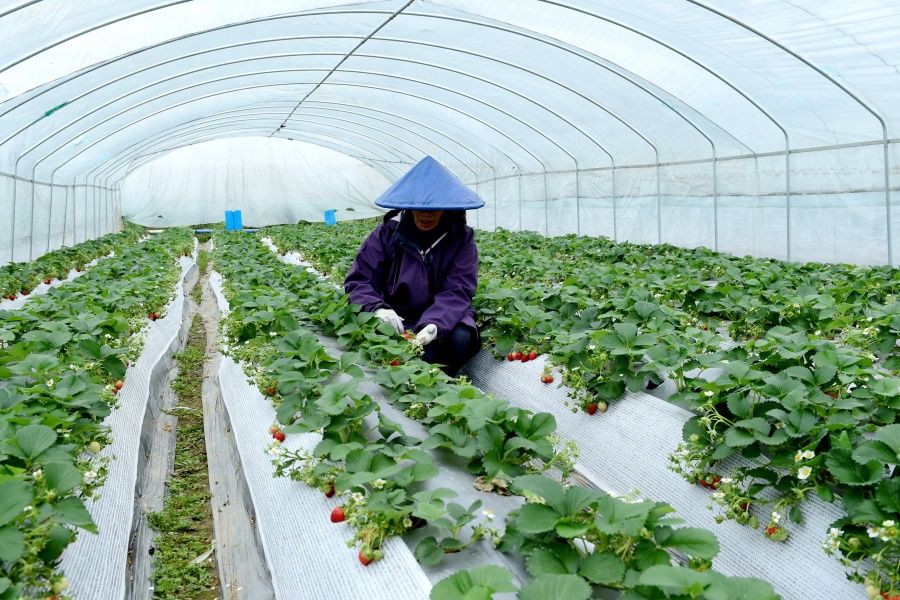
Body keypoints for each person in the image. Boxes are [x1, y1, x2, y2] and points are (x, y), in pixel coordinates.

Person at [343, 156, 484, 376]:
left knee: (459, 340)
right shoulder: (387, 234)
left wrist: (434, 324)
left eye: (435, 208)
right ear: (407, 205)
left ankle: (439, 384)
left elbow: (459, 289)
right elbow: (359, 281)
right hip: (396, 316)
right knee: (388, 346)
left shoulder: (460, 239)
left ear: (448, 208)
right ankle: (404, 382)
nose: (426, 214)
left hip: (445, 317)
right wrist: (377, 309)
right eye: (419, 207)